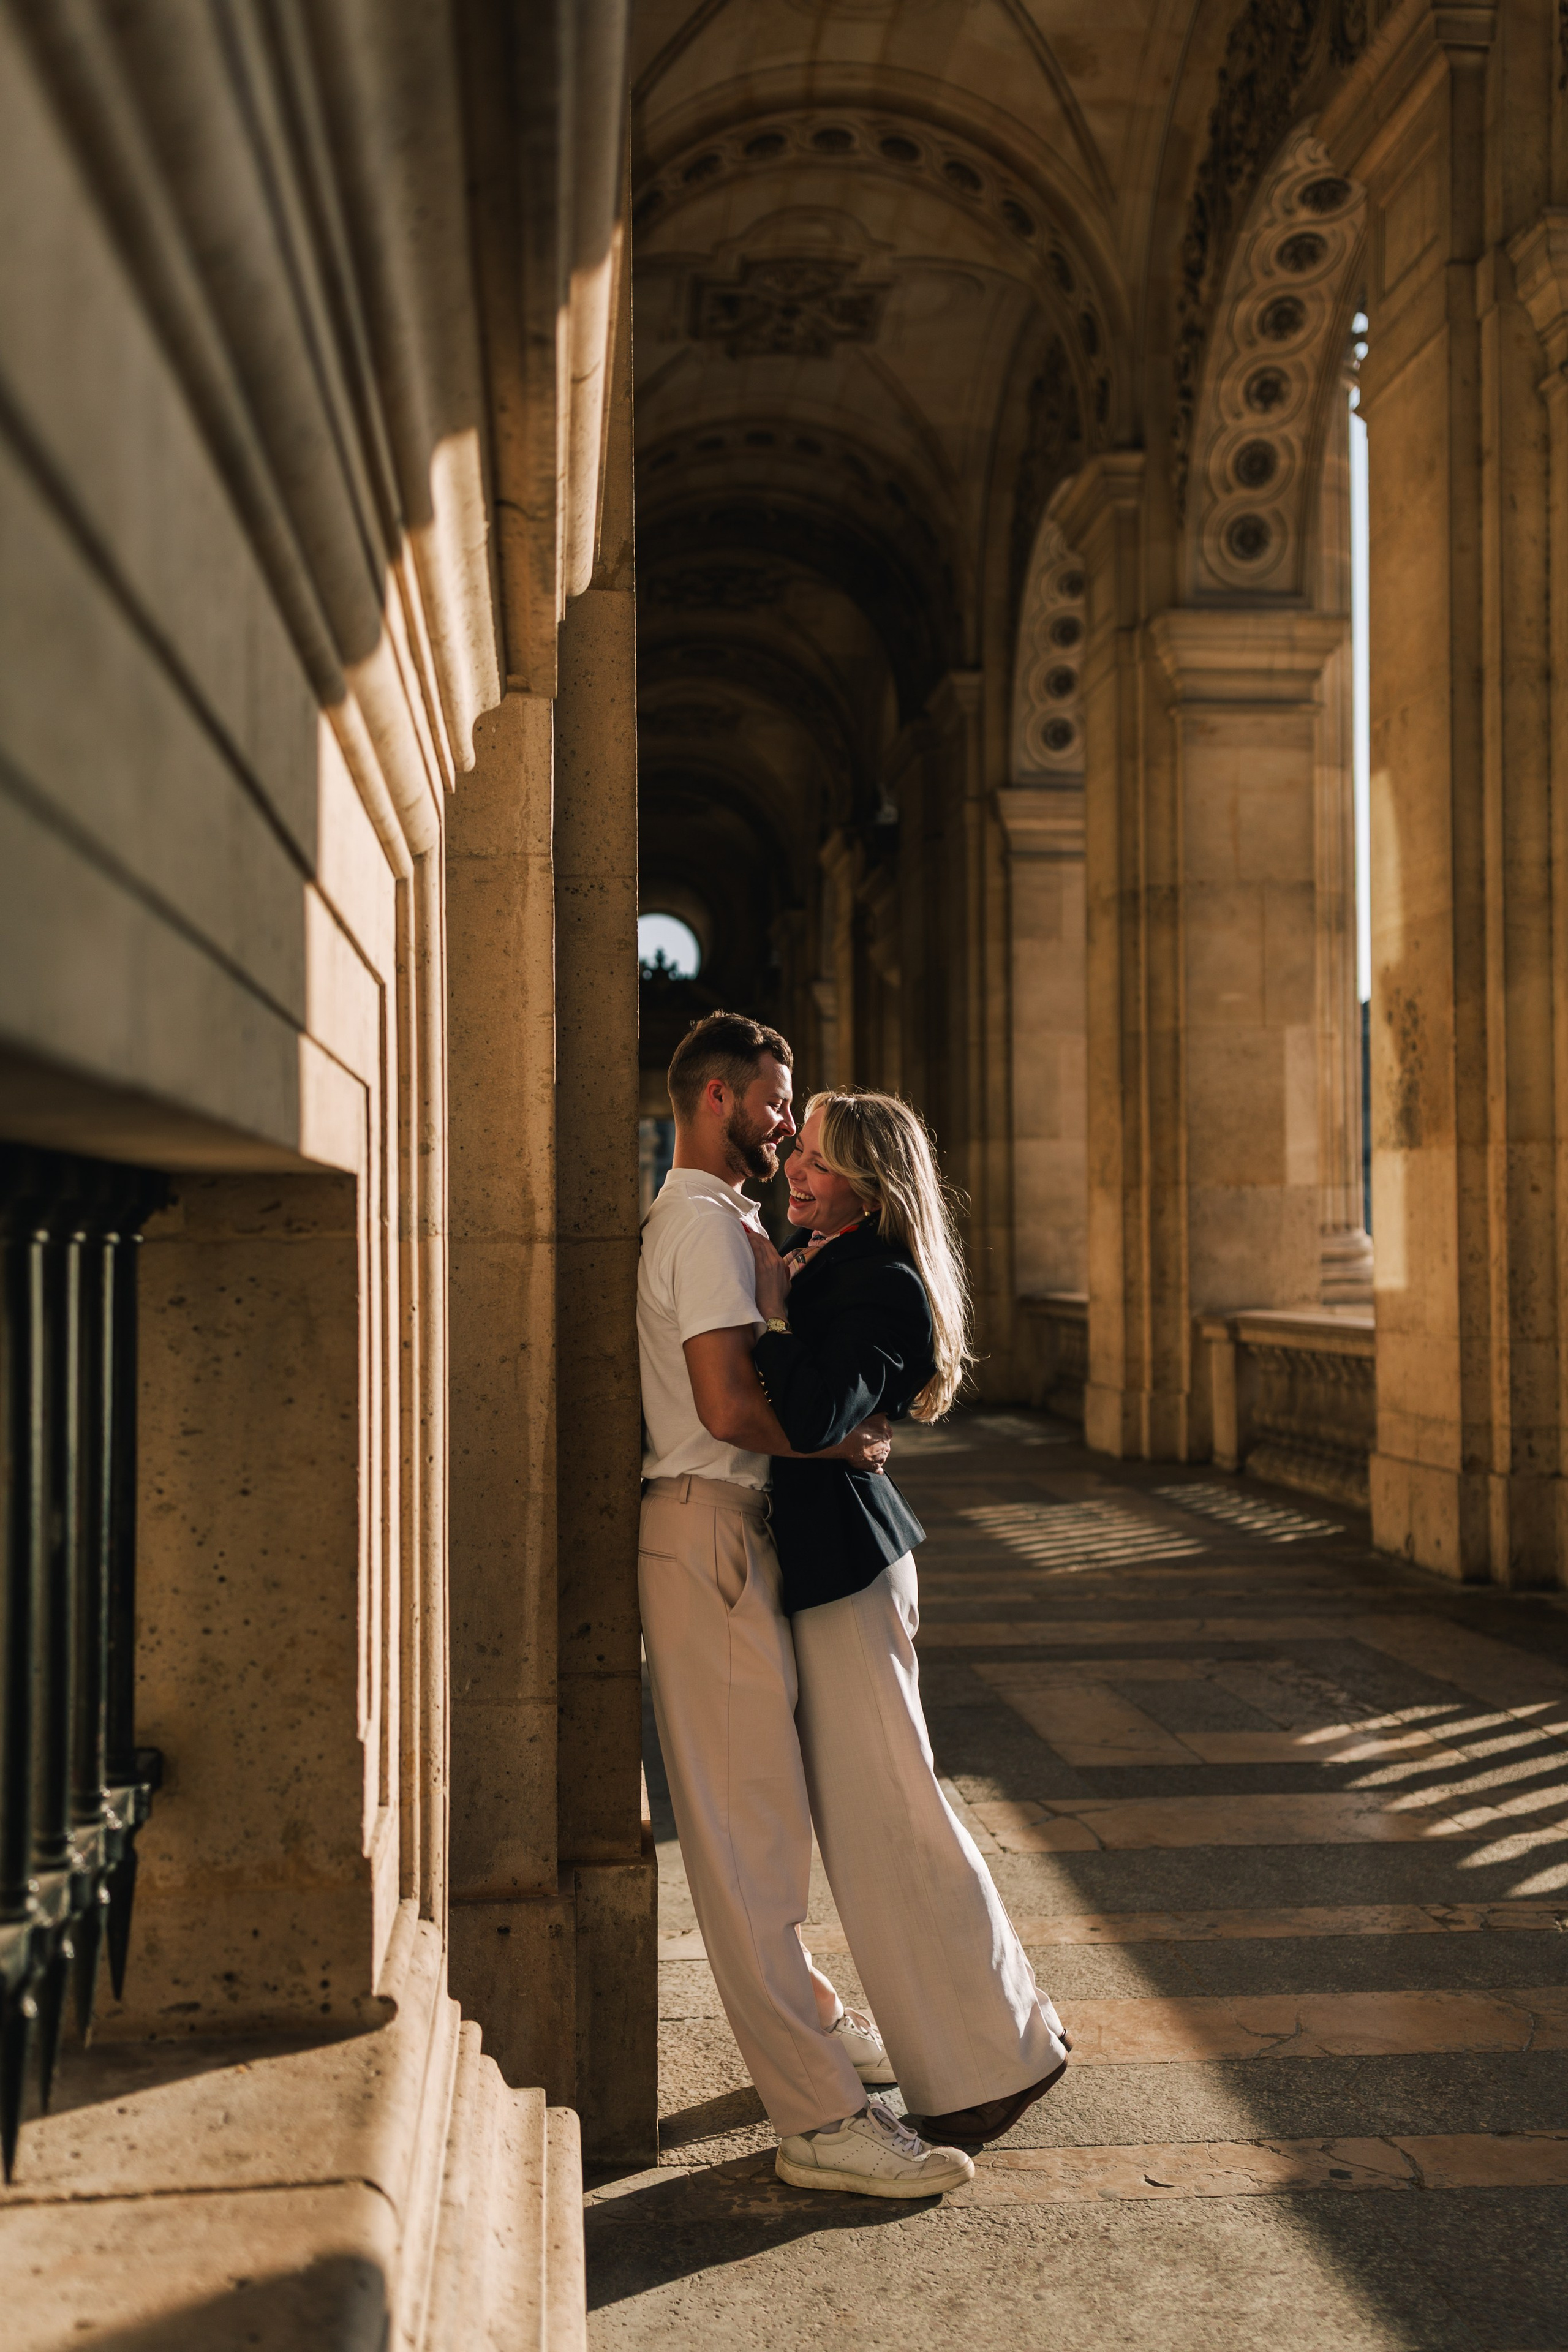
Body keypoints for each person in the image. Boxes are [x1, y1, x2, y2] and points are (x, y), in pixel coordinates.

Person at [637, 1012, 976, 2199]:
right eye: (778, 1104)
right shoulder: (699, 1224)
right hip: (709, 1524)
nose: (787, 1127)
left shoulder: (723, 1221)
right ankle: (818, 2117)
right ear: (719, 1097)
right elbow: (729, 1407)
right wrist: (840, 1444)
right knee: (748, 1847)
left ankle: (817, 2026)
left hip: (730, 1528)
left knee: (764, 1825)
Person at [747, 1087, 1072, 2146]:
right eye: (800, 1153)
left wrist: (766, 1316)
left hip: (850, 1571)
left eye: (822, 1163)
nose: (798, 1173)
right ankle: (1001, 2039)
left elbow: (814, 1413)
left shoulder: (876, 1279)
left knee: (896, 1817)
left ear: (872, 1188)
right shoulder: (825, 1263)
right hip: (833, 1565)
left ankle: (1003, 2058)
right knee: (876, 1825)